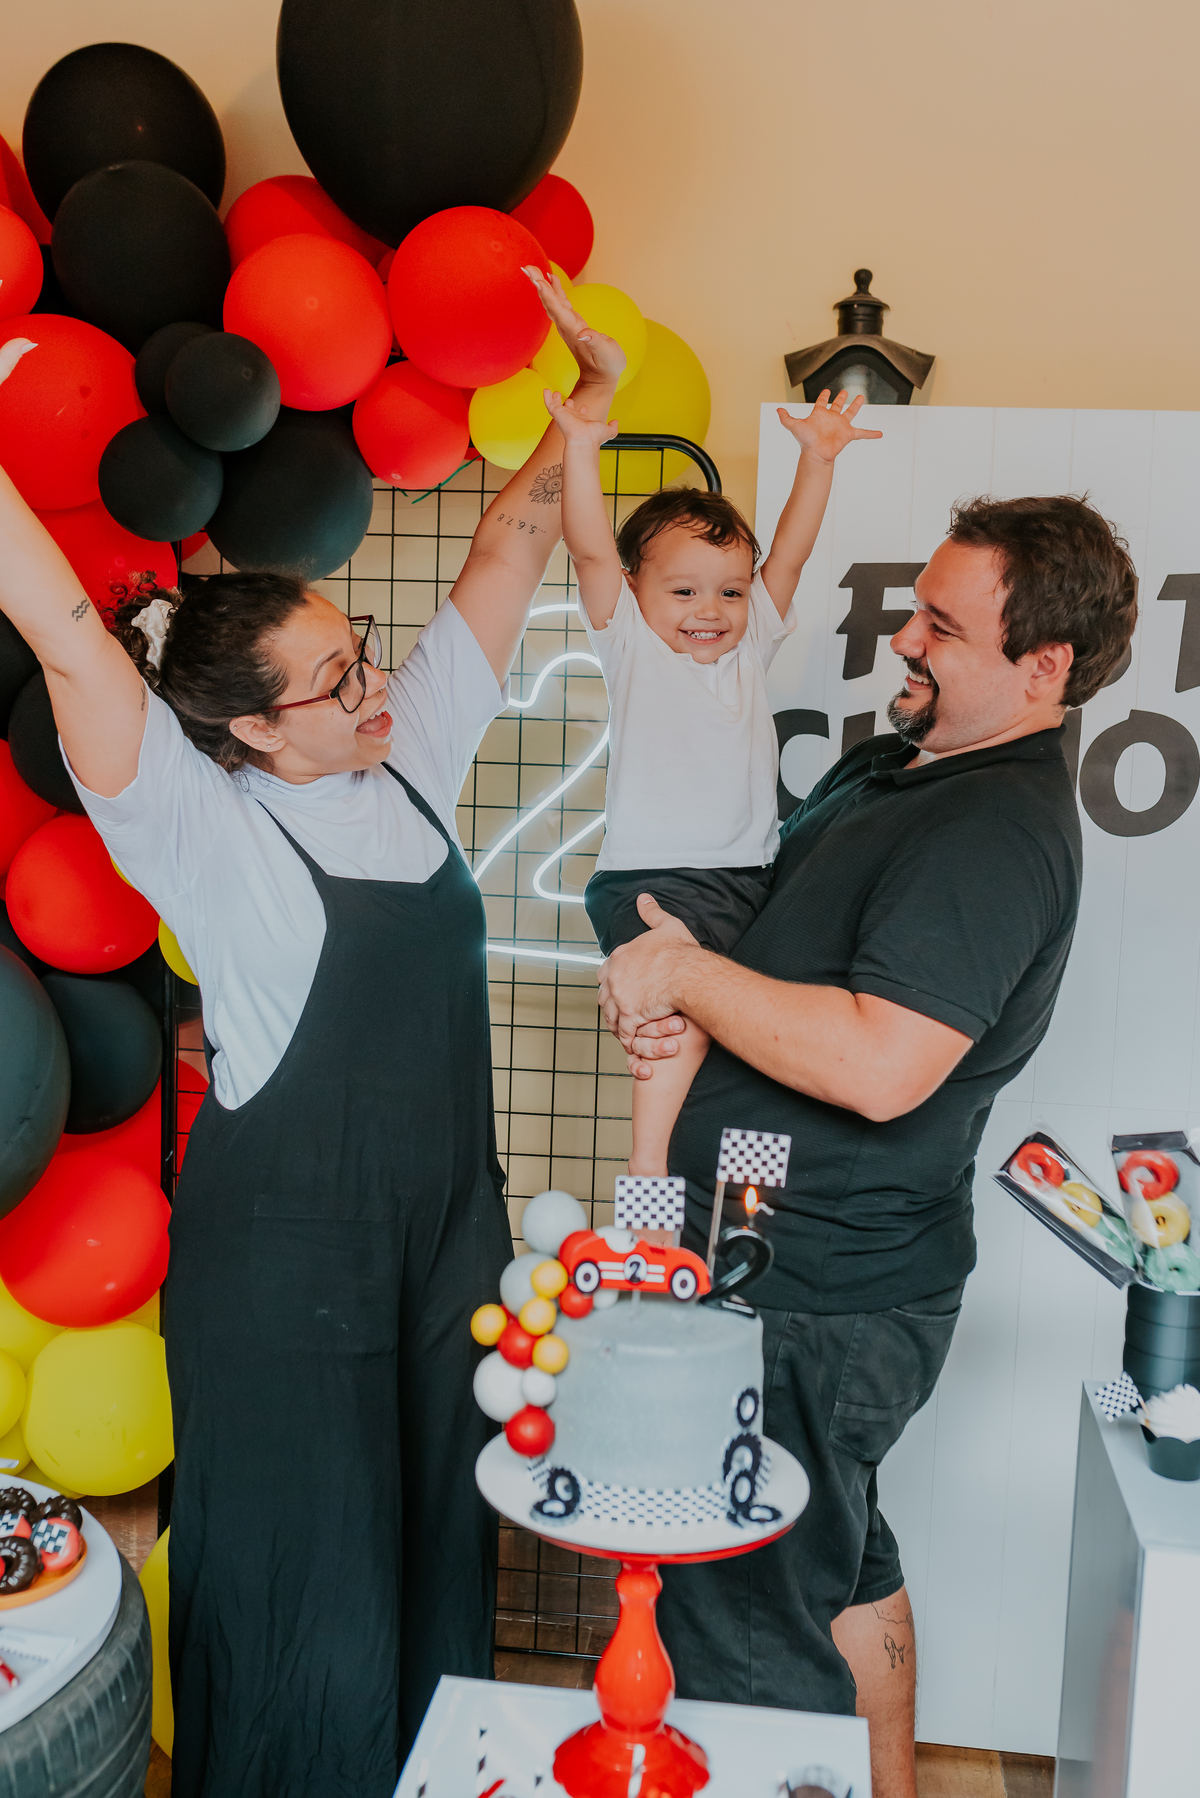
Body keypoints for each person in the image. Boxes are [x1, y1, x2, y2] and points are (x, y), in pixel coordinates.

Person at [0, 311, 621, 1798]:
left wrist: (580, 423)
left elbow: (497, 564)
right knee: (307, 1602)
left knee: (425, 1575)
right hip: (286, 1284)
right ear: (247, 733)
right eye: (335, 682)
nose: (374, 686)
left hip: (438, 1253)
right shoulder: (200, 829)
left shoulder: (396, 758)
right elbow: (71, 637)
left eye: (358, 656)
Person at [596, 494, 1138, 1798]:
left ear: (1043, 665)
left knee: (746, 1634)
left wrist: (679, 969)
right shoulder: (899, 767)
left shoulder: (994, 830)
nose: (903, 637)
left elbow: (880, 1064)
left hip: (820, 1295)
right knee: (837, 1558)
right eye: (915, 606)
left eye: (941, 625)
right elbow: (787, 973)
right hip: (764, 1247)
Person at [528, 267, 881, 1177]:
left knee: (757, 1033)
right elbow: (590, 543)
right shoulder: (630, 642)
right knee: (674, 1023)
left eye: (727, 589)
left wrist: (818, 460)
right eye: (683, 590)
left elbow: (791, 556)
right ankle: (646, 1183)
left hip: (747, 878)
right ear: (638, 594)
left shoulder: (747, 642)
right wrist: (578, 448)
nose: (709, 609)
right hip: (653, 880)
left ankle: (739, 1202)